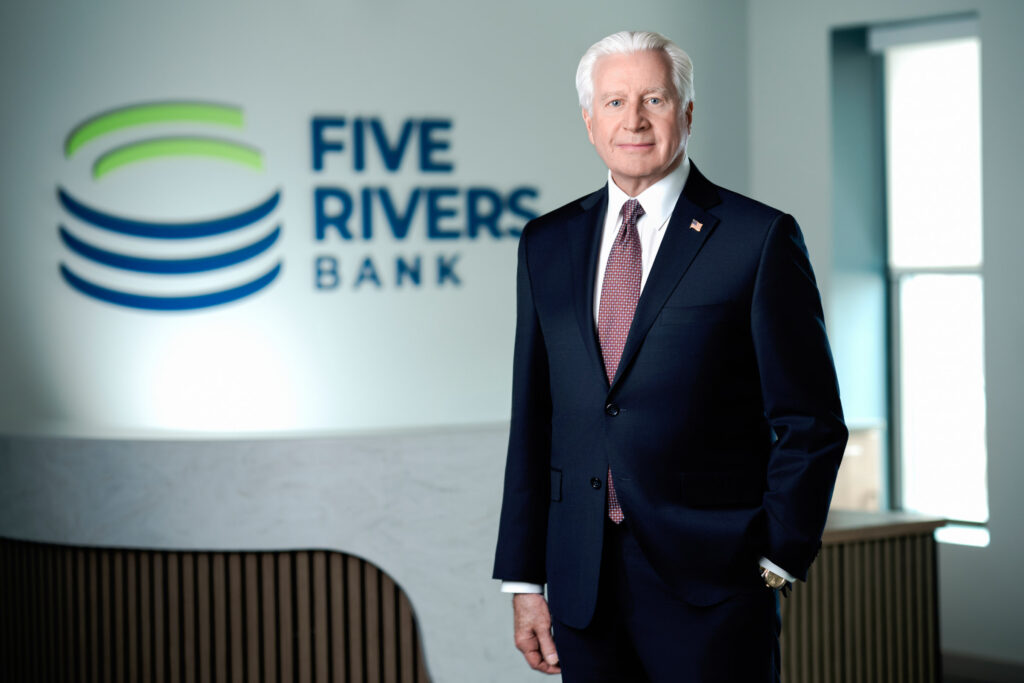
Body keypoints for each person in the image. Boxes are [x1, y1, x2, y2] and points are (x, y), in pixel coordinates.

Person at [492, 30, 848, 682]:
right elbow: (535, 417)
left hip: (714, 583)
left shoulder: (757, 238)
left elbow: (811, 418)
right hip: (581, 584)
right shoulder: (545, 242)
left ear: (686, 112)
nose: (633, 119)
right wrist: (524, 576)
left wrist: (778, 552)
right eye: (614, 101)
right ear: (588, 119)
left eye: (653, 98)